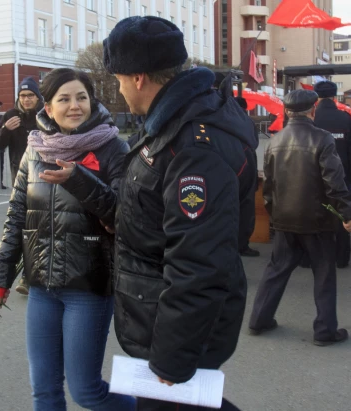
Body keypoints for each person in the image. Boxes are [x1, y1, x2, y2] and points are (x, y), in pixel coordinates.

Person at [104, 16, 258, 410]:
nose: (119, 90)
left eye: (119, 79)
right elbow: (143, 204)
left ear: (139, 77)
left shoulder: (192, 143)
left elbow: (199, 262)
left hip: (175, 328)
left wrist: (172, 358)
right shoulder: (172, 121)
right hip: (162, 314)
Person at [0, 68, 136, 411]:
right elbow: (17, 217)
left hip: (89, 289)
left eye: (81, 97)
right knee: (44, 390)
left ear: (91, 101)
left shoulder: (113, 148)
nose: (74, 106)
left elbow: (123, 216)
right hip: (41, 289)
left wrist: (79, 180)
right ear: (48, 108)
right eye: (64, 99)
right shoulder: (35, 150)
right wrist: (1, 277)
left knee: (87, 392)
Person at [248, 89, 351, 346]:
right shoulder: (323, 139)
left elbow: (270, 186)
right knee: (324, 274)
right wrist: (347, 214)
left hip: (285, 218)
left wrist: (276, 214)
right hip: (317, 220)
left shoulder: (275, 141)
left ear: (286, 111)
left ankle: (258, 320)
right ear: (313, 110)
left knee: (276, 270)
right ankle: (324, 330)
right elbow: (335, 182)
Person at [0, 77, 43, 295]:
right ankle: (25, 275)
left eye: (30, 95)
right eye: (22, 96)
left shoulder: (46, 115)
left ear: (38, 97)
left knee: (40, 227)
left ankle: (33, 273)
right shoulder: (11, 116)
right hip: (19, 180)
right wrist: (5, 129)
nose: (26, 99)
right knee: (23, 228)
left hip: (43, 179)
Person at [313, 81, 351, 269]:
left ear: (317, 96)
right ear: (334, 96)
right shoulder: (345, 118)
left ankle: (314, 256)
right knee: (342, 214)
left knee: (315, 215)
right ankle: (341, 257)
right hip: (342, 174)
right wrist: (350, 175)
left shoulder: (312, 118)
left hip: (315, 174)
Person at [235, 96, 260, 257]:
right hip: (247, 164)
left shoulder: (223, 119)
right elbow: (255, 143)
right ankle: (242, 245)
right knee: (246, 206)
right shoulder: (247, 121)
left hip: (229, 166)